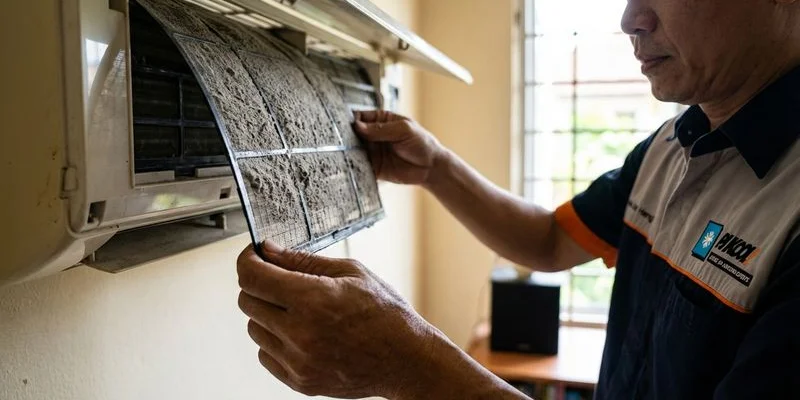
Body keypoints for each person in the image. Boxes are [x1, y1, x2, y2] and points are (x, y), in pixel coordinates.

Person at [235, 0, 800, 397]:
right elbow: (551, 240)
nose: (631, 19)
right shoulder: (674, 145)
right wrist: (436, 167)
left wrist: (408, 363)